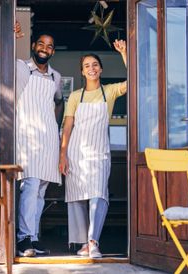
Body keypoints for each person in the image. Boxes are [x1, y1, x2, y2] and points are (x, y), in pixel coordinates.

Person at [59, 40, 127, 258]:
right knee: (77, 197)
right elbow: (67, 127)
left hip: (99, 153)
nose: (91, 68)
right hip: (76, 153)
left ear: (101, 69)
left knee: (98, 195)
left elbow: (134, 79)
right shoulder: (75, 96)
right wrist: (63, 155)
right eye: (87, 65)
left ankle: (93, 241)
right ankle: (83, 244)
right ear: (82, 71)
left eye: (95, 64)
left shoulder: (110, 91)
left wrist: (124, 53)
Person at [14, 22, 63, 257]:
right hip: (28, 136)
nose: (45, 48)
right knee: (29, 186)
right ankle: (23, 237)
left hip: (49, 139)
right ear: (34, 46)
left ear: (53, 51)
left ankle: (33, 236)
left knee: (41, 190)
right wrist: (12, 37)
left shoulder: (56, 76)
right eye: (41, 44)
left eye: (50, 46)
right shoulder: (22, 68)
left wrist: (54, 126)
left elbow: (58, 102)